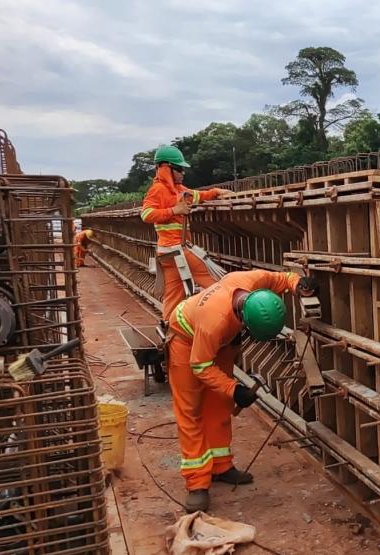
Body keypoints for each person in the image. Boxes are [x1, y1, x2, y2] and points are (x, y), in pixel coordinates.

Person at [167, 269, 304, 512]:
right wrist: (235, 389)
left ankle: (221, 466)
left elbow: (283, 278)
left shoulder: (252, 281)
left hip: (221, 341)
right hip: (185, 341)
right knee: (190, 411)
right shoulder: (214, 322)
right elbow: (200, 366)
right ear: (243, 318)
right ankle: (197, 483)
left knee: (220, 404)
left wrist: (300, 284)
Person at [140, 145, 230, 321]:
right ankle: (223, 319)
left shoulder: (178, 189)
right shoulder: (158, 189)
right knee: (218, 284)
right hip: (177, 250)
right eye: (179, 169)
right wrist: (174, 210)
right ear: (166, 168)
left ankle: (168, 329)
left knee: (173, 296)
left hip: (168, 254)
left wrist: (216, 192)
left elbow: (196, 195)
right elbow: (146, 214)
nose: (183, 172)